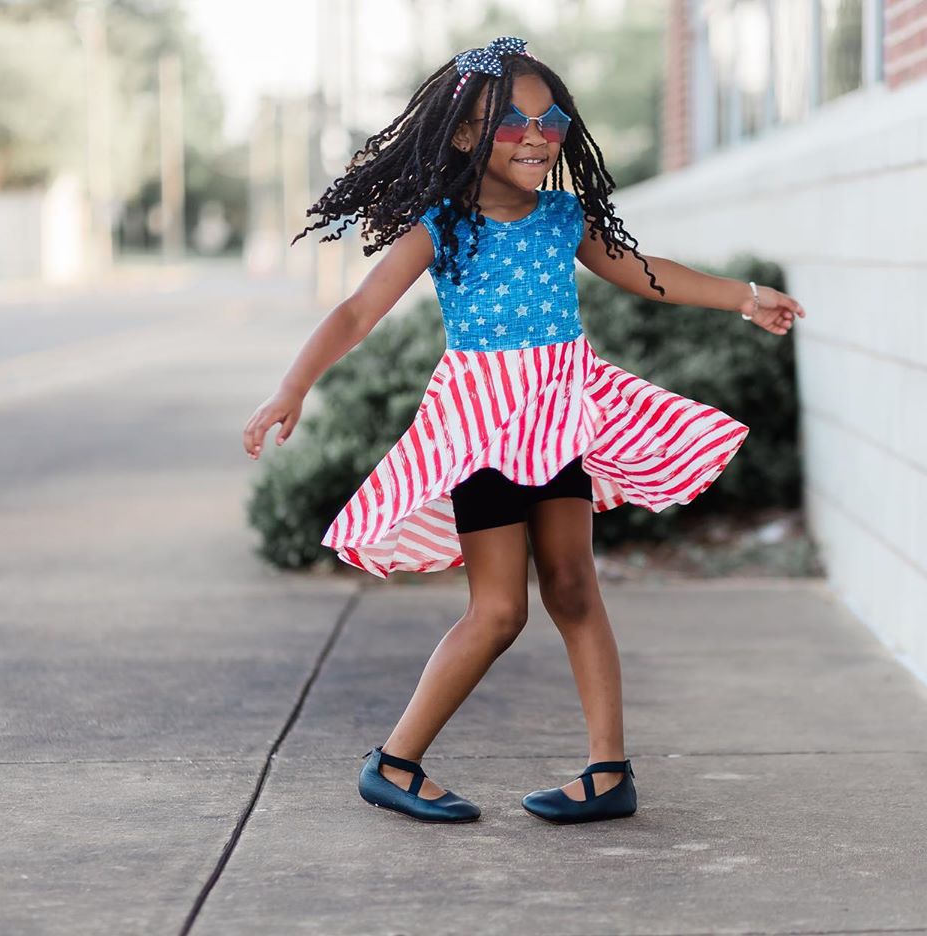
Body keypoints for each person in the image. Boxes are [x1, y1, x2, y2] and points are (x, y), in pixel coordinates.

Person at [242, 36, 806, 826]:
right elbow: (358, 310)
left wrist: (744, 297)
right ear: (468, 135)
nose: (537, 137)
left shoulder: (564, 217)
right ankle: (393, 763)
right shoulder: (440, 224)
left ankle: (610, 773)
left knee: (574, 588)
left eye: (552, 120)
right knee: (500, 611)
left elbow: (646, 272)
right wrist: (291, 387)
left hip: (561, 414)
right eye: (512, 122)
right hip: (484, 427)